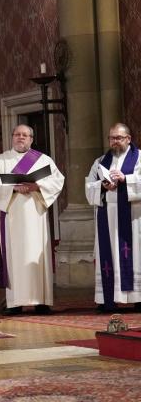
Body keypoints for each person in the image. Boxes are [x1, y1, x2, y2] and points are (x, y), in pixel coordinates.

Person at [0, 125, 64, 315]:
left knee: (38, 252)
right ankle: (15, 303)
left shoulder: (43, 160)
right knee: (15, 257)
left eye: (25, 135)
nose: (21, 138)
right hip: (12, 217)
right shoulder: (1, 161)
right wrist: (13, 188)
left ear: (31, 139)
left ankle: (42, 302)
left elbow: (57, 181)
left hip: (36, 216)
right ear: (12, 137)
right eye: (17, 135)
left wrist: (37, 186)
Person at [86, 123, 141, 312]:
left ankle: (138, 298)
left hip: (133, 216)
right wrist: (102, 185)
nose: (114, 142)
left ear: (128, 138)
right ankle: (106, 298)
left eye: (118, 138)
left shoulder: (139, 158)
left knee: (134, 254)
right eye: (111, 138)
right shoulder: (101, 161)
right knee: (108, 255)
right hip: (108, 216)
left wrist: (127, 179)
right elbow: (88, 186)